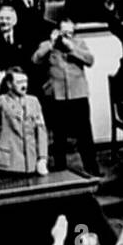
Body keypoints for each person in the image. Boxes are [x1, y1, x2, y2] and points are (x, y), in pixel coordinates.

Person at [30, 18, 97, 175]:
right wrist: (52, 45)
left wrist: (72, 48)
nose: (67, 36)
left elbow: (90, 60)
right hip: (56, 96)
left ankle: (92, 168)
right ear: (57, 31)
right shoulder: (47, 45)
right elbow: (35, 59)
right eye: (64, 33)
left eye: (70, 33)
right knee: (58, 136)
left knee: (85, 135)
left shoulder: (79, 43)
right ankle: (61, 170)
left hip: (78, 94)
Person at [0, 68, 48, 177]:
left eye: (25, 81)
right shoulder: (3, 100)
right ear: (9, 84)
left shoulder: (34, 101)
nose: (24, 86)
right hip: (9, 162)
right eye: (19, 82)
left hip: (30, 161)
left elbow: (41, 131)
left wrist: (42, 157)